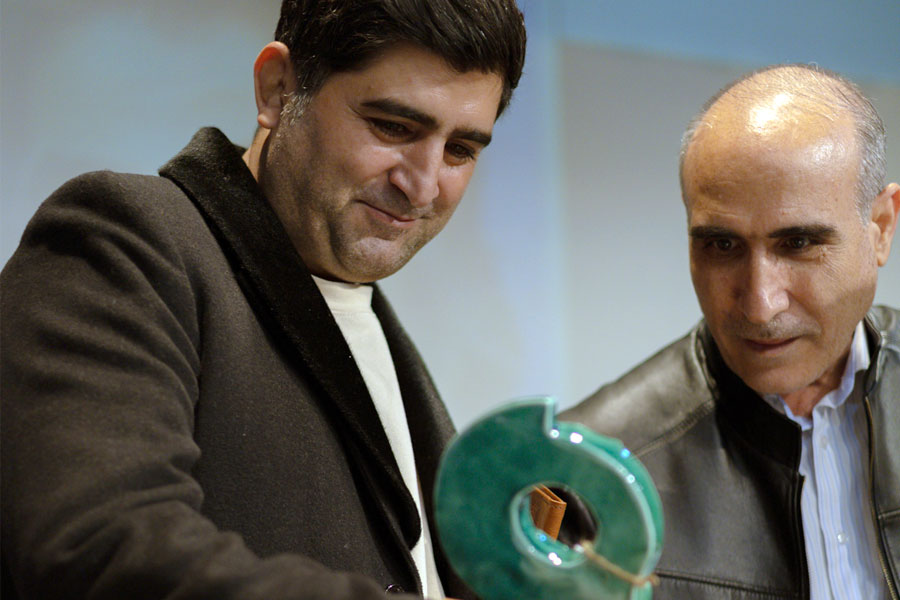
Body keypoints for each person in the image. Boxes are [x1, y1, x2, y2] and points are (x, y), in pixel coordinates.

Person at [0, 2, 526, 599]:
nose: (423, 185)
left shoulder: (368, 316)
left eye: (460, 150)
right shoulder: (123, 237)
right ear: (278, 89)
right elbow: (105, 550)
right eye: (393, 127)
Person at [562, 64, 900, 598]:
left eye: (798, 244)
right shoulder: (587, 480)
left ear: (880, 228)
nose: (760, 306)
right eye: (722, 246)